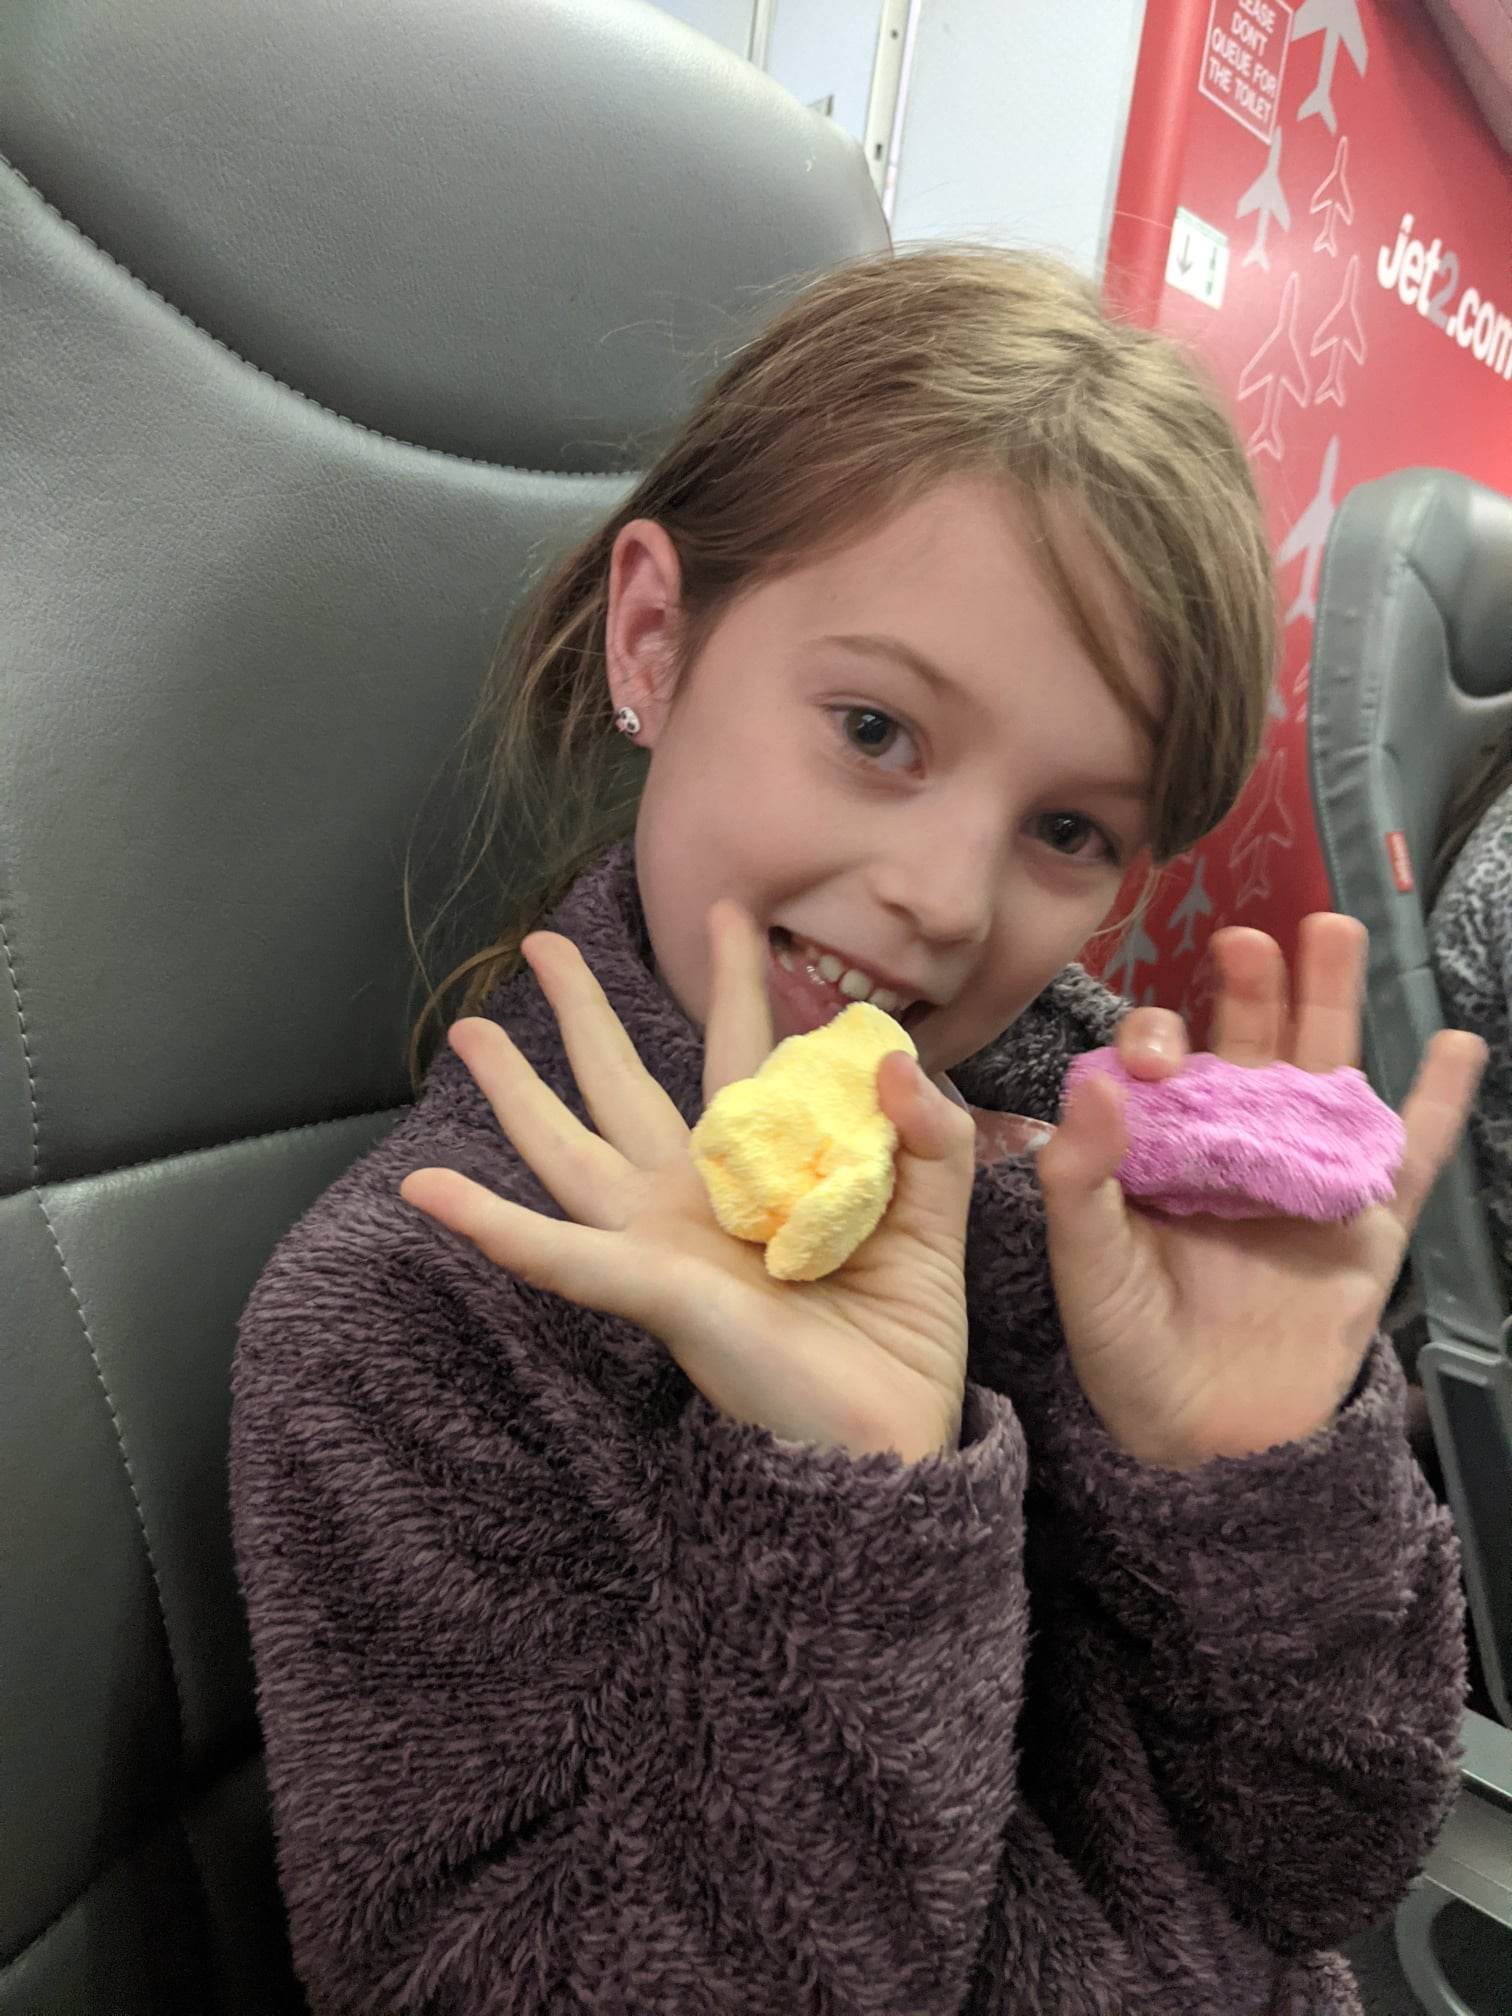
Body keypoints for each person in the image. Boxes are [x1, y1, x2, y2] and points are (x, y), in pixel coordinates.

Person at [229, 246, 1486, 2016]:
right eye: (877, 730)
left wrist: (1258, 1487)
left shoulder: (1102, 1201)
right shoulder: (418, 1323)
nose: (945, 900)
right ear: (655, 639)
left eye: (1067, 830)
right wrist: (845, 1511)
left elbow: (1325, 1863)